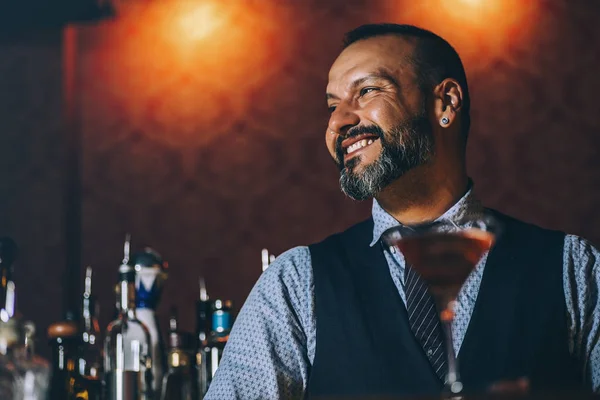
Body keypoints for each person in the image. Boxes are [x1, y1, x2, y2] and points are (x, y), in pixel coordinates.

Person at [204, 23, 600, 399]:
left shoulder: (573, 269)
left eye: (367, 91)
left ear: (445, 103)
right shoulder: (293, 284)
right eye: (332, 106)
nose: (339, 121)